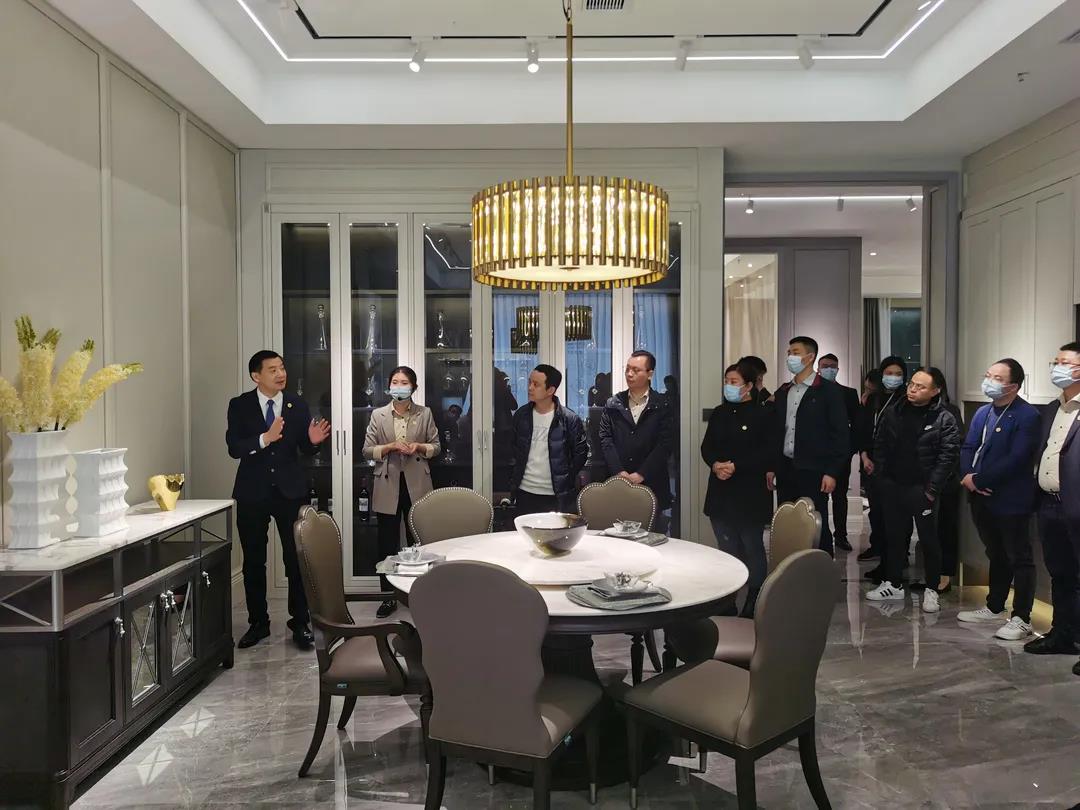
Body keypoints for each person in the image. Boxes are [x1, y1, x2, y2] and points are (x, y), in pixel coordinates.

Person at [226, 350, 331, 650]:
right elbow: (234, 448)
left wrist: (312, 443)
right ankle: (258, 623)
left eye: (282, 368)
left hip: (290, 492)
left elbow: (304, 449)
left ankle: (300, 621)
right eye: (272, 369)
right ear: (256, 376)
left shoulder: (296, 405)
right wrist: (265, 438)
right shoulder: (240, 405)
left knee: (295, 559)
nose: (280, 374)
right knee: (253, 561)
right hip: (252, 492)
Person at [956, 359, 1041, 640]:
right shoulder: (983, 412)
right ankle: (994, 606)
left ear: (1013, 386)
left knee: (1020, 557)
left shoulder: (1027, 415)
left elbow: (1018, 458)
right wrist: (968, 476)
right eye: (988, 375)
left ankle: (1022, 617)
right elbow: (969, 446)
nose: (989, 381)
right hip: (980, 497)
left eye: (997, 378)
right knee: (996, 552)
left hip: (1010, 498)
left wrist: (980, 480)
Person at [866, 367, 961, 613]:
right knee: (895, 537)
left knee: (929, 540)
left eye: (921, 387)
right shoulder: (894, 411)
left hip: (923, 488)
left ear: (935, 391)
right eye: (912, 384)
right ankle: (893, 583)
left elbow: (948, 456)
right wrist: (882, 478)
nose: (913, 389)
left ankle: (932, 588)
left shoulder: (944, 417)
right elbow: (880, 445)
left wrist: (932, 489)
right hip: (893, 485)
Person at [362, 366, 440, 618]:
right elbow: (367, 450)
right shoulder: (379, 415)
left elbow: (436, 446)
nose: (399, 386)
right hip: (388, 483)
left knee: (419, 541)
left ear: (413, 387)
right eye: (395, 382)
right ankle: (387, 597)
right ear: (389, 386)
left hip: (417, 483)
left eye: (404, 382)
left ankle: (420, 593)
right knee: (386, 542)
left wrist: (418, 446)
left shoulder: (424, 413)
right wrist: (389, 447)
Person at [701, 361, 774, 616]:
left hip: (749, 491)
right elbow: (707, 446)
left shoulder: (764, 414)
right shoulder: (720, 413)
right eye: (726, 381)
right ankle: (728, 599)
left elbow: (766, 452)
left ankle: (754, 597)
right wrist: (715, 464)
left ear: (749, 386)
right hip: (720, 491)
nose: (728, 386)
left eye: (734, 382)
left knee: (752, 546)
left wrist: (735, 466)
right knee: (727, 547)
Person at [766, 336, 849, 555]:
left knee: (815, 523)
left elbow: (840, 434)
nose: (790, 357)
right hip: (786, 467)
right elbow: (777, 432)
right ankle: (788, 567)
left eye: (795, 352)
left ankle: (820, 567)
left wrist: (832, 472)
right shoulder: (784, 391)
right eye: (789, 353)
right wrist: (772, 466)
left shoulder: (828, 391)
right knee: (786, 522)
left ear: (810, 357)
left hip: (814, 469)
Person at [1026, 342, 1080, 674]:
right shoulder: (1052, 409)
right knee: (1060, 574)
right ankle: (1062, 635)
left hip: (1077, 506)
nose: (1057, 368)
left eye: (1065, 363)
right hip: (1049, 504)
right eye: (1055, 361)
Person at [598, 350, 675, 530]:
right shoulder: (613, 403)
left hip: (652, 481)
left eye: (636, 370)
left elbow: (665, 443)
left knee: (652, 535)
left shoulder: (663, 404)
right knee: (617, 536)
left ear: (650, 374)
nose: (629, 374)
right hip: (618, 482)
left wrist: (641, 474)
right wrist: (620, 472)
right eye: (627, 369)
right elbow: (605, 439)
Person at [509, 364, 589, 514]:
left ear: (550, 390)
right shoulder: (521, 415)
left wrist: (566, 478)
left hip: (556, 494)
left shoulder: (569, 419)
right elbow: (513, 447)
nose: (530, 388)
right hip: (525, 490)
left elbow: (580, 454)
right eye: (530, 382)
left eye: (536, 384)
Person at [858, 357, 910, 574]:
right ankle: (882, 555)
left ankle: (896, 562)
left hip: (894, 468)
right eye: (889, 373)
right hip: (871, 464)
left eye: (898, 374)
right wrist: (864, 457)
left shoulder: (906, 400)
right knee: (877, 513)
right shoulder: (873, 399)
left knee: (896, 518)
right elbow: (862, 430)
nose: (893, 377)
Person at [817, 353, 860, 552]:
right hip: (816, 454)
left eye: (832, 366)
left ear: (838, 369)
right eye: (825, 365)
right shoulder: (811, 391)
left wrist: (849, 451)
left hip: (840, 454)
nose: (829, 369)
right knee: (818, 497)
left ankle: (841, 535)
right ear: (818, 368)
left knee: (840, 496)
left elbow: (856, 425)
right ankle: (819, 535)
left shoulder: (848, 393)